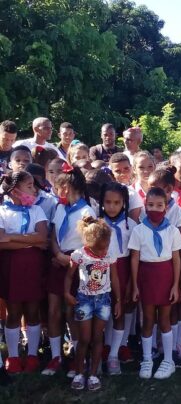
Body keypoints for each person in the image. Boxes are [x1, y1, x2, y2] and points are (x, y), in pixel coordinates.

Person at [42, 164, 96, 377]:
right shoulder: (60, 208)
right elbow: (54, 235)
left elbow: (90, 242)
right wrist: (57, 255)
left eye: (58, 186)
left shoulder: (87, 211)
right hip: (59, 261)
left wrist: (70, 259)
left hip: (77, 266)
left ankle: (77, 356)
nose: (56, 190)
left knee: (73, 312)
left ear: (68, 187)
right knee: (54, 310)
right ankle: (56, 356)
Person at [129, 187, 181, 379]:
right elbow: (135, 259)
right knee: (148, 319)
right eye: (150, 205)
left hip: (166, 276)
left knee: (165, 319)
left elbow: (176, 260)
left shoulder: (172, 231)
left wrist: (176, 285)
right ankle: (147, 359)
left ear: (166, 208)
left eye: (159, 205)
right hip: (147, 277)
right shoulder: (139, 230)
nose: (155, 208)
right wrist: (135, 285)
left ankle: (168, 360)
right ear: (145, 206)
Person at [0, 171, 48, 374]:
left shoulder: (37, 211)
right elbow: (0, 242)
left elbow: (43, 238)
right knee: (13, 311)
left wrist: (13, 238)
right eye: (29, 186)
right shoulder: (2, 211)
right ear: (15, 191)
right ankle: (12, 355)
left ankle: (32, 355)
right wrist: (30, 239)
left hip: (33, 265)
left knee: (32, 310)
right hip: (11, 266)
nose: (34, 190)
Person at [65, 217, 121, 391]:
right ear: (88, 244)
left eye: (106, 246)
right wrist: (66, 293)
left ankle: (94, 374)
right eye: (100, 248)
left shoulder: (110, 256)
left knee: (98, 338)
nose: (104, 250)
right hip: (84, 301)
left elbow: (115, 278)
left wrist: (118, 300)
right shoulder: (79, 255)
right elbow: (69, 276)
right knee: (84, 339)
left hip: (103, 301)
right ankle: (80, 372)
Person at [147, 167, 181, 364]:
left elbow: (180, 244)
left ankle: (174, 344)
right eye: (151, 189)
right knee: (153, 306)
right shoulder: (147, 211)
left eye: (158, 189)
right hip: (152, 268)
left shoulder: (178, 212)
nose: (153, 194)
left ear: (169, 189)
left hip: (172, 266)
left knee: (174, 305)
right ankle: (155, 346)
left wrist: (178, 269)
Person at [98, 183, 138, 374]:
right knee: (102, 311)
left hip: (123, 270)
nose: (112, 206)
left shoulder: (132, 225)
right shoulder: (96, 224)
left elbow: (133, 256)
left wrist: (132, 281)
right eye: (108, 202)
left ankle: (114, 354)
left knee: (120, 310)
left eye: (117, 202)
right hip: (100, 270)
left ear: (124, 203)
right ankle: (104, 348)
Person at [108, 152, 144, 223]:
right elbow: (134, 222)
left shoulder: (133, 188)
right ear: (112, 173)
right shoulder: (131, 193)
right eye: (118, 171)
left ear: (131, 167)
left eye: (126, 168)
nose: (123, 173)